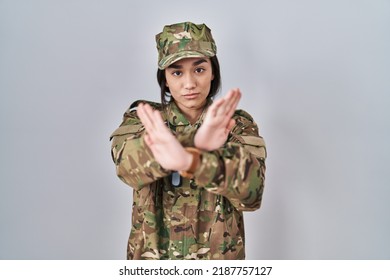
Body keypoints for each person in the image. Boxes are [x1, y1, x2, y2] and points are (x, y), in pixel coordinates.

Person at [110, 21, 266, 260]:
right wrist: (195, 142)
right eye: (177, 72)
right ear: (165, 78)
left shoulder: (235, 123)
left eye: (199, 69)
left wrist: (190, 158)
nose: (189, 83)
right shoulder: (142, 119)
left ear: (213, 72)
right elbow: (127, 167)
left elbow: (251, 194)